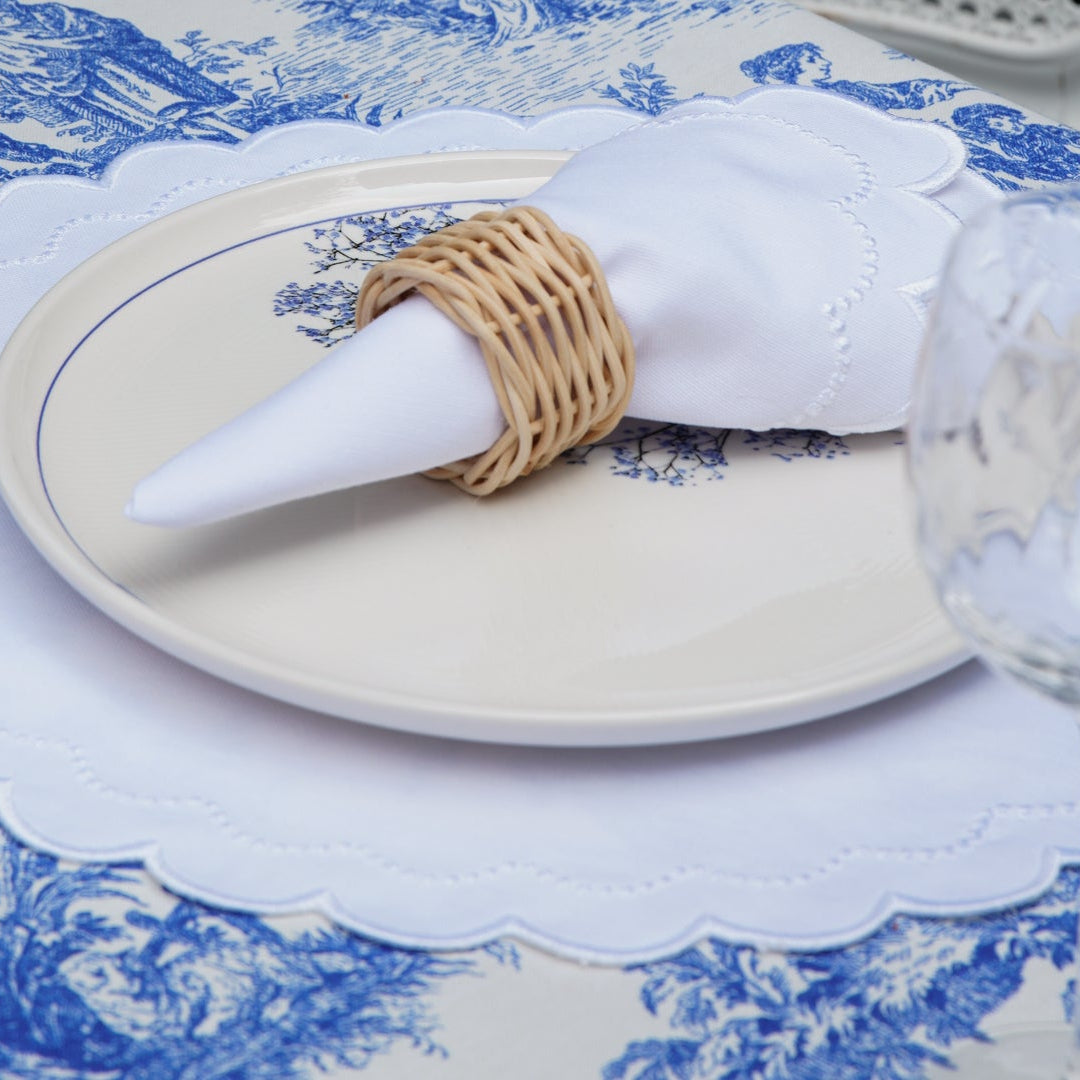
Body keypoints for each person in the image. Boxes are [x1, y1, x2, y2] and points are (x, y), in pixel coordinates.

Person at [740, 41, 968, 113]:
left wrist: (931, 89)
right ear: (789, 69)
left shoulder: (846, 86)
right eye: (812, 60)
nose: (825, 62)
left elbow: (899, 95)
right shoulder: (779, 106)